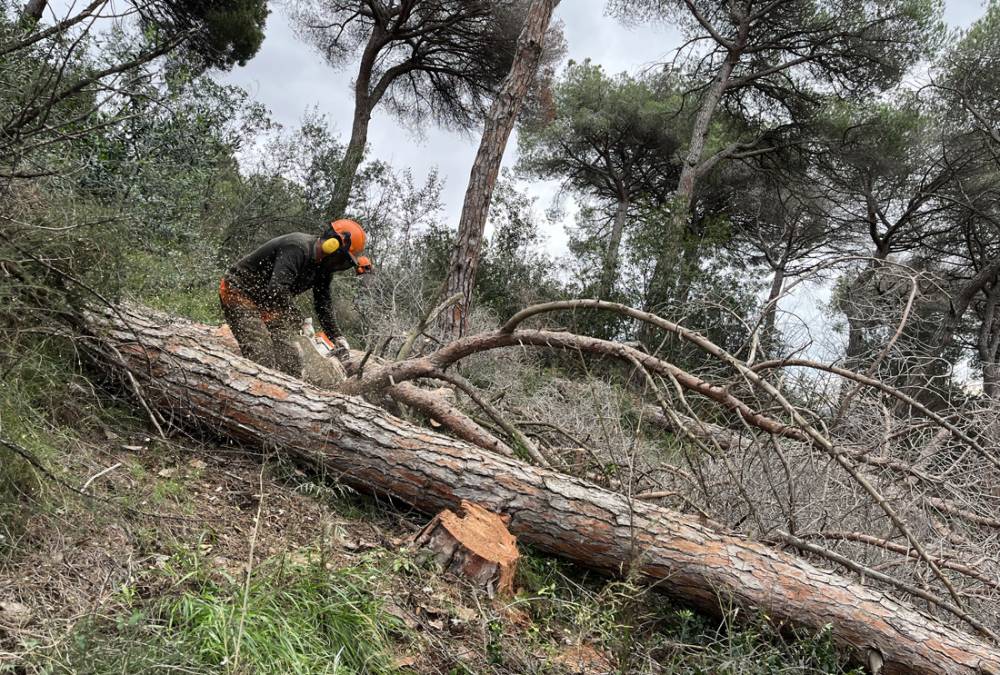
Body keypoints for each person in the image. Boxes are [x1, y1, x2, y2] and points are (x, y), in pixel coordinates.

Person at [219, 219, 370, 376]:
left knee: (291, 359)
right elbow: (277, 288)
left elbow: (323, 304)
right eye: (342, 259)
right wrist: (301, 320)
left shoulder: (324, 269)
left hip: (270, 302)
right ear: (333, 244)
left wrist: (336, 336)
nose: (340, 264)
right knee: (261, 353)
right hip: (240, 291)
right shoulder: (297, 247)